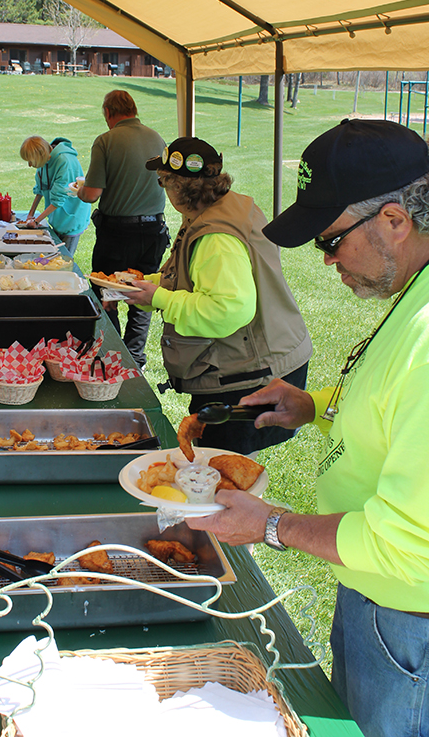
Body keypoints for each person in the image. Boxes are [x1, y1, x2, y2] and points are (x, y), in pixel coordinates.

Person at [188, 119, 429, 737]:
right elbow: (393, 406)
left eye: (331, 240)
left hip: (408, 613)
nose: (327, 262)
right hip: (373, 593)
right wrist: (314, 405)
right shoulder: (415, 290)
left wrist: (268, 524)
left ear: (395, 221)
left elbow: (411, 544)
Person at [126, 137, 312, 455]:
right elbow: (202, 277)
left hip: (250, 375)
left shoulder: (216, 235)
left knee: (225, 472)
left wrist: (159, 297)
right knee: (226, 471)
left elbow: (228, 308)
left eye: (163, 181)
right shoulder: (225, 207)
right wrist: (154, 284)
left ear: (176, 187)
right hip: (262, 362)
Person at [77, 90, 169, 369]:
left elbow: (92, 194)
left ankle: (111, 353)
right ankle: (135, 359)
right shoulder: (157, 138)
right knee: (142, 292)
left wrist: (80, 190)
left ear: (108, 112)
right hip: (153, 230)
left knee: (107, 291)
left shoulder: (106, 140)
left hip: (117, 233)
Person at [18, 135, 90, 256]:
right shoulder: (45, 160)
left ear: (40, 155)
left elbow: (58, 200)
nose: (29, 165)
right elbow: (40, 189)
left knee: (63, 259)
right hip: (58, 217)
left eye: (31, 161)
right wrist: (30, 215)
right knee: (52, 256)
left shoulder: (64, 161)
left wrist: (36, 221)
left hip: (71, 218)